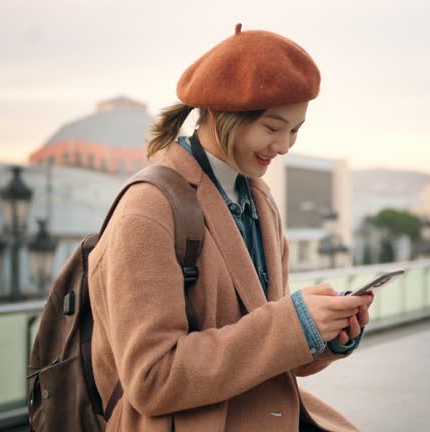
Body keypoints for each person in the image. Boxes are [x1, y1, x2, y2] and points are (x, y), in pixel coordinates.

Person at [87, 24, 373, 431]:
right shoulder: (148, 209)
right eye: (272, 128)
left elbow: (264, 349)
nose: (285, 145)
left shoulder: (260, 202)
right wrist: (294, 323)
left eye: (295, 130)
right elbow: (152, 379)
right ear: (221, 114)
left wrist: (326, 333)